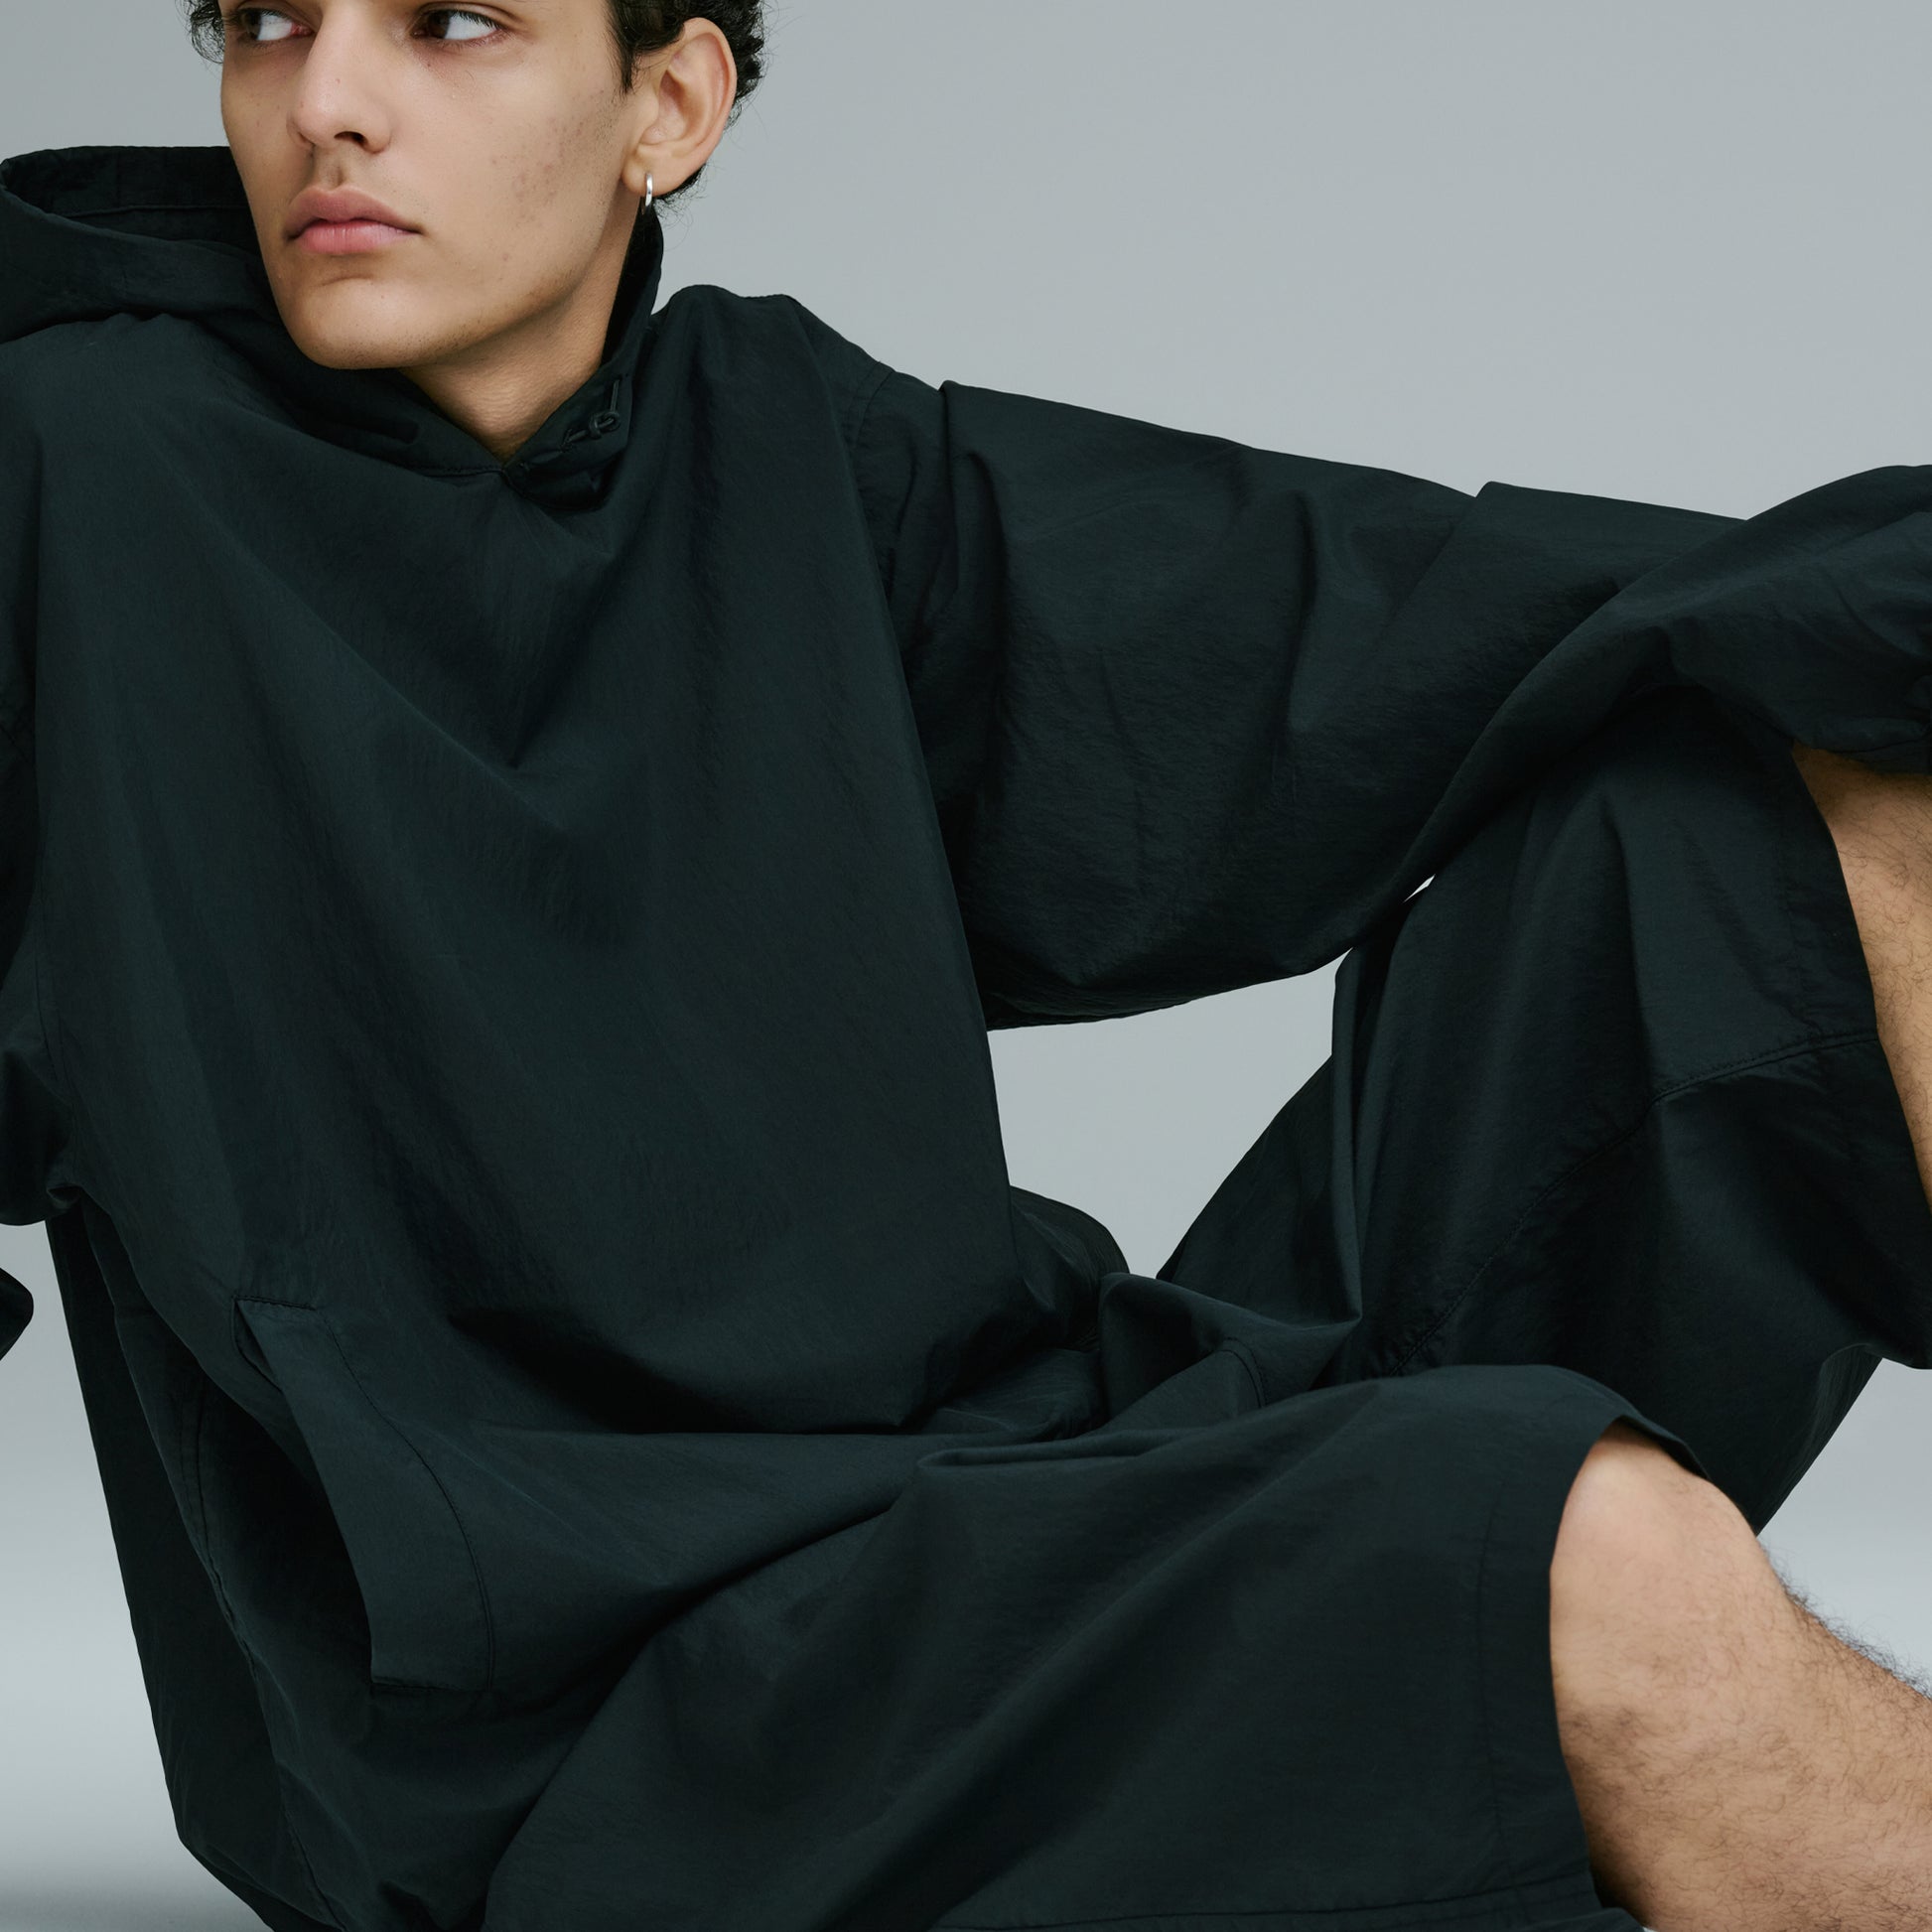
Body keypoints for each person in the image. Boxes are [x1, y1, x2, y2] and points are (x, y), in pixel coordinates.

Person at [7, 4, 1932, 1928]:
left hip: (1007, 1507)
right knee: (1602, 1569)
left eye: (449, 23)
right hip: (584, 1729)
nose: (326, 103)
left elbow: (1410, 628)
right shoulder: (75, 474)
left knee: (1825, 813)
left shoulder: (774, 442)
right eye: (265, 23)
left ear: (665, 103)